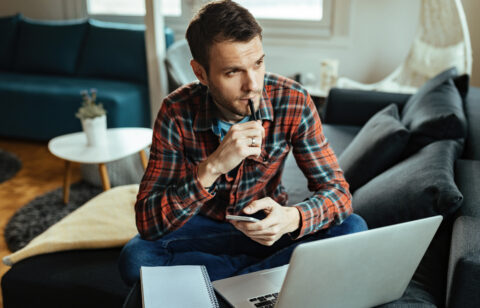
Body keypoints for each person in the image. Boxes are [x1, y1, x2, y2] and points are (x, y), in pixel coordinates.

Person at [119, 0, 367, 287]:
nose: (252, 85)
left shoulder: (293, 101)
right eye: (232, 72)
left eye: (258, 63)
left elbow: (339, 194)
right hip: (204, 227)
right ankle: (262, 279)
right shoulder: (175, 112)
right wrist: (211, 167)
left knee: (354, 228)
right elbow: (148, 224)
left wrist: (292, 218)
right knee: (135, 258)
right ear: (200, 73)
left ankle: (219, 283)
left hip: (266, 228)